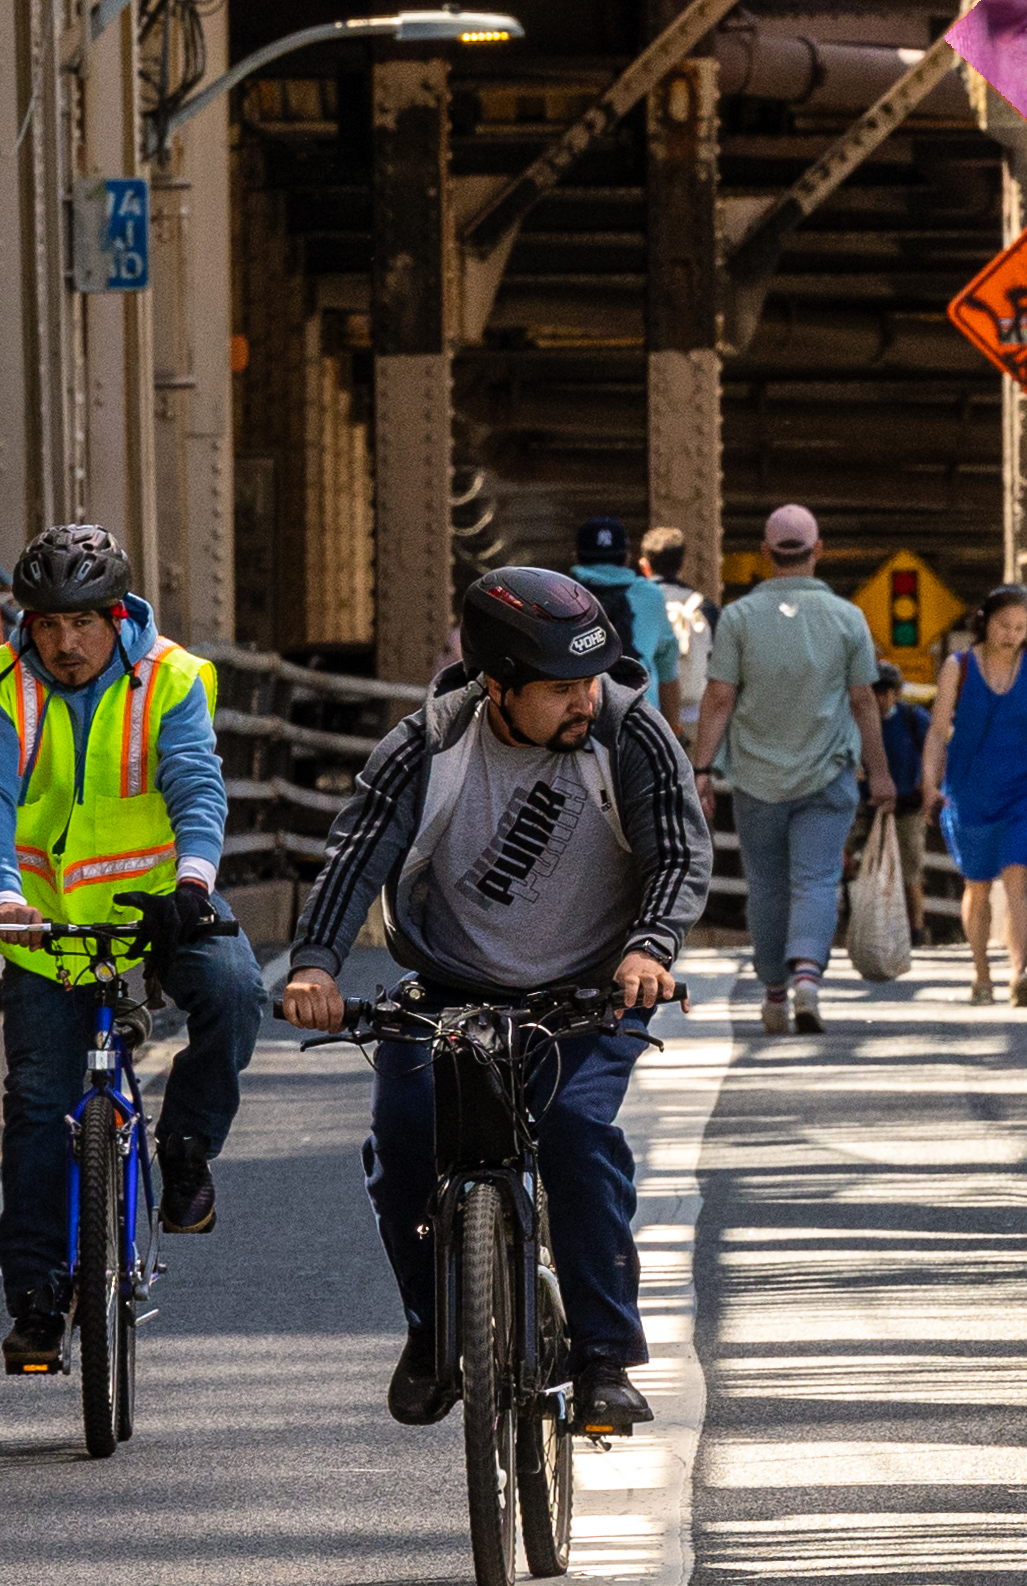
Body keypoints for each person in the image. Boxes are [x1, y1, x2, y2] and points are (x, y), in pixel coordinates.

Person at [280, 567, 708, 1433]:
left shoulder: (630, 733)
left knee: (576, 1136)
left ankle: (601, 1359)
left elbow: (677, 853)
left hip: (594, 989)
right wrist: (315, 965)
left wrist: (649, 947)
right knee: (402, 1142)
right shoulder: (428, 746)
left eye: (590, 680)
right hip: (448, 989)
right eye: (561, 689)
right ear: (499, 689)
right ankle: (434, 1328)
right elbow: (355, 853)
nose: (585, 699)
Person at [0, 523, 260, 1372]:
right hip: (45, 923)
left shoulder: (169, 677)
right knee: (37, 1104)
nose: (63, 643)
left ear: (115, 615)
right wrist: (1, 895)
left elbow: (195, 779)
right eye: (46, 624)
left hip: (163, 900)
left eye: (82, 622)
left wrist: (195, 881)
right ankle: (38, 1299)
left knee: (235, 992)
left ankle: (188, 1145)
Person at [690, 505, 896, 1035]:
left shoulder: (736, 618)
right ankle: (808, 976)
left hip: (757, 778)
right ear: (818, 550)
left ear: (765, 554)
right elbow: (864, 703)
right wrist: (880, 773)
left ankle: (774, 991)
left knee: (767, 885)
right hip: (827, 775)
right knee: (817, 880)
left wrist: (701, 769)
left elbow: (717, 698)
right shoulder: (848, 618)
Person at [921, 585, 1027, 1006]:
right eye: (1004, 625)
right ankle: (982, 975)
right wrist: (929, 784)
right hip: (969, 792)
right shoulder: (960, 667)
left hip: (1023, 789)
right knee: (977, 886)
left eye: (1020, 627)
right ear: (985, 620)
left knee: (1017, 878)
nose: (1011, 634)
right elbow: (937, 733)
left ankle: (1020, 972)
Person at [572, 516, 681, 725]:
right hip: (640, 720)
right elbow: (667, 669)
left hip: (579, 721)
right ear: (627, 558)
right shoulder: (651, 596)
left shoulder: (563, 594)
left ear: (577, 557)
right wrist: (674, 731)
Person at [868, 660, 932, 945]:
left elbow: (935, 749)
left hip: (908, 805)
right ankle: (877, 930)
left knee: (910, 872)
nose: (880, 698)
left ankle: (916, 930)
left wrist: (927, 783)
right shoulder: (860, 720)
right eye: (875, 691)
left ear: (896, 693)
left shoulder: (911, 718)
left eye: (886, 691)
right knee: (869, 869)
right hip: (869, 806)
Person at [640, 526, 717, 737]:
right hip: (696, 716)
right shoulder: (705, 607)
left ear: (644, 565)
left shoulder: (635, 605)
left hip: (647, 715)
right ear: (682, 565)